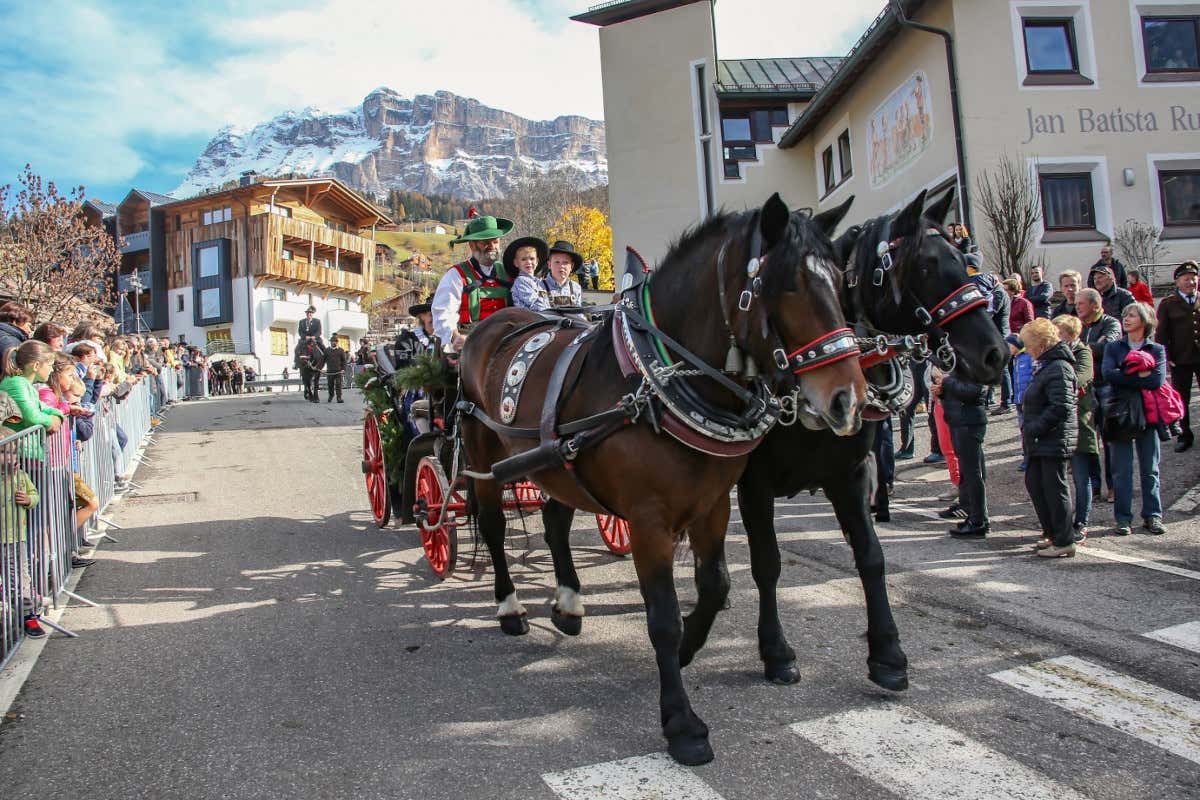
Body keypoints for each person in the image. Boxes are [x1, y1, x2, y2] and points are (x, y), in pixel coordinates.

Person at [1102, 302, 1167, 536]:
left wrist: (1124, 372)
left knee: (1150, 468)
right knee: (1121, 469)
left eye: (1132, 315)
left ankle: (1153, 516)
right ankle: (1123, 518)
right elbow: (1109, 374)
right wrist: (1137, 371)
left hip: (1148, 414)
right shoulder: (1113, 347)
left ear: (1145, 319)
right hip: (1120, 413)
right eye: (1125, 315)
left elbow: (1156, 381)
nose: (1126, 319)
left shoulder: (1156, 349)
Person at [1018, 319, 1079, 558]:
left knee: (1055, 489)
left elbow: (1061, 406)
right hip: (1040, 440)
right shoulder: (1046, 365)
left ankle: (1064, 539)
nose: (1027, 350)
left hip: (1053, 439)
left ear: (1041, 344)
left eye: (1029, 344)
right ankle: (1053, 533)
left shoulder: (1059, 367)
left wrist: (1034, 427)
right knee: (1036, 484)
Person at [431, 214, 516, 351]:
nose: (491, 247)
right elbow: (443, 313)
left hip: (506, 341)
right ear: (472, 245)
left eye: (495, 242)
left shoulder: (510, 272)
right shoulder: (456, 275)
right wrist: (455, 337)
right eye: (485, 243)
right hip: (469, 343)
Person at [1053, 315, 1098, 544]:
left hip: (1080, 421)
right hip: (1059, 423)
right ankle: (1061, 521)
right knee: (1059, 478)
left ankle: (1082, 522)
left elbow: (1081, 378)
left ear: (1069, 333)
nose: (1054, 335)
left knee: (1082, 477)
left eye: (1057, 331)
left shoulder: (1082, 352)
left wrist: (1056, 385)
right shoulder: (1053, 354)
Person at [1077, 287, 1122, 502]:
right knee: (1089, 440)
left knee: (1108, 439)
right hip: (1086, 389)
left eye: (1081, 304)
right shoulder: (1079, 327)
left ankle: (1113, 486)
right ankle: (1094, 486)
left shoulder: (1110, 323)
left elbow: (1108, 348)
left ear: (1095, 305)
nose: (1077, 307)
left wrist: (1083, 349)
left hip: (1105, 387)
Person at [936, 368, 990, 538]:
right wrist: (942, 392)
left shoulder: (977, 359)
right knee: (969, 474)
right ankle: (975, 517)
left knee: (973, 474)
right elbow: (960, 392)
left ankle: (978, 521)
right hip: (959, 420)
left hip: (969, 422)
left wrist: (946, 381)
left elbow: (974, 392)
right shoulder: (966, 359)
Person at [1155, 260, 1200, 452]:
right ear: (1178, 282)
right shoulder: (1168, 304)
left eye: (1194, 279)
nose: (1191, 283)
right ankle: (1184, 435)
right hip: (1180, 359)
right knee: (1182, 398)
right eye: (1186, 279)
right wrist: (1166, 356)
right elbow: (1161, 334)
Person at [1006, 334, 1034, 471]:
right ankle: (1027, 457)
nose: (1008, 348)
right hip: (1018, 400)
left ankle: (1029, 459)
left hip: (1027, 401)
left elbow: (1030, 379)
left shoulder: (1028, 357)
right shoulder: (1015, 359)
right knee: (1023, 431)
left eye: (1010, 345)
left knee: (1028, 431)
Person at [506, 236, 551, 312]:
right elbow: (534, 303)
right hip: (528, 320)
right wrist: (552, 312)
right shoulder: (521, 281)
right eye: (524, 259)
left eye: (532, 259)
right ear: (516, 263)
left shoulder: (539, 282)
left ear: (537, 261)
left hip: (543, 317)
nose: (529, 262)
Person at [539, 240, 585, 308]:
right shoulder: (539, 287)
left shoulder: (576, 288)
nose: (561, 266)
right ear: (549, 264)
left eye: (565, 262)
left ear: (571, 266)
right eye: (557, 262)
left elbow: (579, 315)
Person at [394, 300, 437, 365]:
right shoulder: (407, 339)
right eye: (432, 315)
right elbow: (402, 366)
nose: (437, 319)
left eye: (440, 315)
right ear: (422, 316)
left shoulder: (450, 339)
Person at [0, 301, 33, 367]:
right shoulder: (10, 341)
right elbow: (13, 370)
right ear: (15, 321)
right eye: (28, 325)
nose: (30, 330)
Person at [321, 338, 348, 403]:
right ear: (330, 342)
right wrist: (320, 368)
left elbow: (344, 361)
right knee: (330, 385)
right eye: (332, 341)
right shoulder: (326, 350)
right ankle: (331, 395)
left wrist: (343, 369)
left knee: (338, 384)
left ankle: (339, 397)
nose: (334, 343)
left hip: (338, 371)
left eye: (335, 341)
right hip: (330, 371)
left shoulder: (341, 350)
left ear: (337, 342)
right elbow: (322, 360)